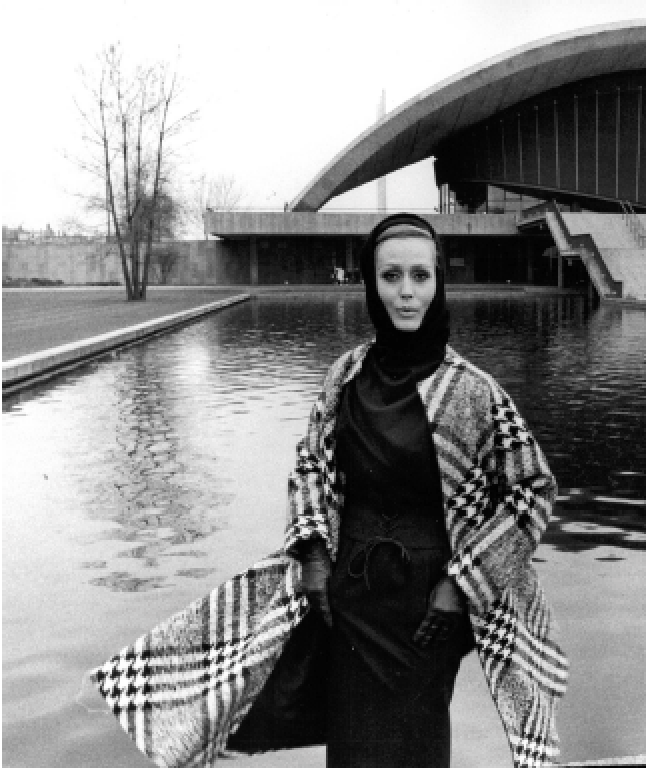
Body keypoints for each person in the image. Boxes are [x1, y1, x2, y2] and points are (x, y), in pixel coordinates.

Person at [89, 213, 568, 769]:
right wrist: (314, 553)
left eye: (420, 276)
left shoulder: (473, 391)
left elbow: (533, 491)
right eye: (391, 277)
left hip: (430, 601)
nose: (405, 293)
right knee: (352, 745)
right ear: (372, 283)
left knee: (417, 740)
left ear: (439, 284)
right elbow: (311, 464)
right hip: (348, 594)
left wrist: (464, 587)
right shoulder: (345, 375)